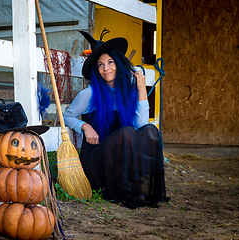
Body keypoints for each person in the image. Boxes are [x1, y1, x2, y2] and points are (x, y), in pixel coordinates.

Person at [64, 30, 167, 208]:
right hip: (97, 160)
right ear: (96, 69)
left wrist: (142, 90)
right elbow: (66, 115)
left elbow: (141, 126)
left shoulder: (128, 92)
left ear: (118, 64)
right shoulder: (89, 94)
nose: (106, 69)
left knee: (151, 131)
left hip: (121, 162)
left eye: (110, 62)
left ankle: (143, 189)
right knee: (127, 132)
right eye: (100, 65)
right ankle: (124, 192)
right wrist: (84, 126)